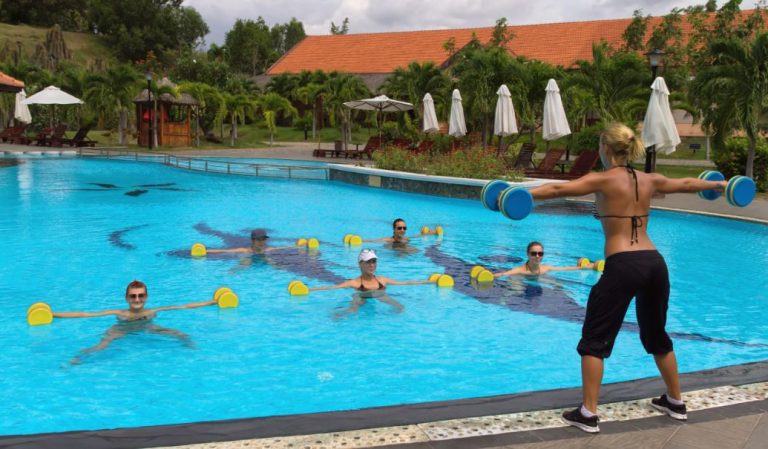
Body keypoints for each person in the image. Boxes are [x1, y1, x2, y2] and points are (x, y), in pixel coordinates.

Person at [527, 123, 728, 433]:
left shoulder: (603, 179)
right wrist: (720, 186)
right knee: (657, 334)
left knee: (595, 337)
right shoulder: (648, 179)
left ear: (606, 149)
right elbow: (689, 184)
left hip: (623, 264)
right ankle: (675, 401)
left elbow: (555, 190)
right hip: (654, 262)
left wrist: (515, 196)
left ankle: (588, 413)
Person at [53, 280, 217, 364]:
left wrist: (212, 302)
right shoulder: (119, 312)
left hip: (147, 327)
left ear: (146, 297)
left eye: (140, 295)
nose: (137, 299)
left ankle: (191, 350)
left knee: (180, 334)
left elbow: (185, 306)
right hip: (121, 329)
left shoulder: (152, 311)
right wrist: (53, 314)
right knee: (100, 347)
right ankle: (77, 359)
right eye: (133, 296)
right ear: (127, 298)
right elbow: (85, 314)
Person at [309, 249, 434, 317]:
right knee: (352, 311)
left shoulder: (382, 280)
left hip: (380, 294)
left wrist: (428, 281)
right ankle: (335, 315)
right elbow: (331, 287)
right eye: (368, 262)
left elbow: (405, 283)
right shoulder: (356, 282)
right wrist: (309, 290)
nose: (372, 265)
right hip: (361, 295)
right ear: (360, 264)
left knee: (400, 307)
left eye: (374, 261)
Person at [492, 241, 596, 277]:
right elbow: (503, 274)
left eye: (540, 253)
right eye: (534, 253)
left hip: (537, 280)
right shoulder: (520, 270)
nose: (537, 256)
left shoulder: (546, 268)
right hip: (520, 280)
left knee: (558, 285)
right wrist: (490, 276)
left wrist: (587, 267)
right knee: (516, 290)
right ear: (528, 254)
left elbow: (565, 268)